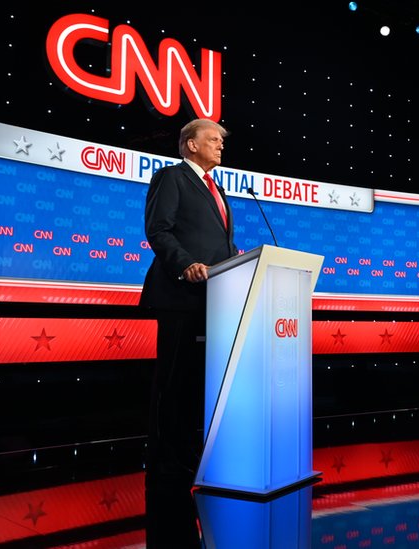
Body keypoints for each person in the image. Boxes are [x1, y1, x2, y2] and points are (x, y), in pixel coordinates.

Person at [140, 118, 238, 493]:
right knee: (174, 381)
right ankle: (166, 462)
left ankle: (189, 457)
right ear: (191, 144)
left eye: (221, 140)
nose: (220, 145)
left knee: (198, 381)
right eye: (213, 139)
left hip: (213, 298)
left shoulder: (218, 189)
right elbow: (158, 229)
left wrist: (235, 260)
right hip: (180, 294)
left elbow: (217, 242)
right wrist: (185, 264)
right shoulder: (172, 177)